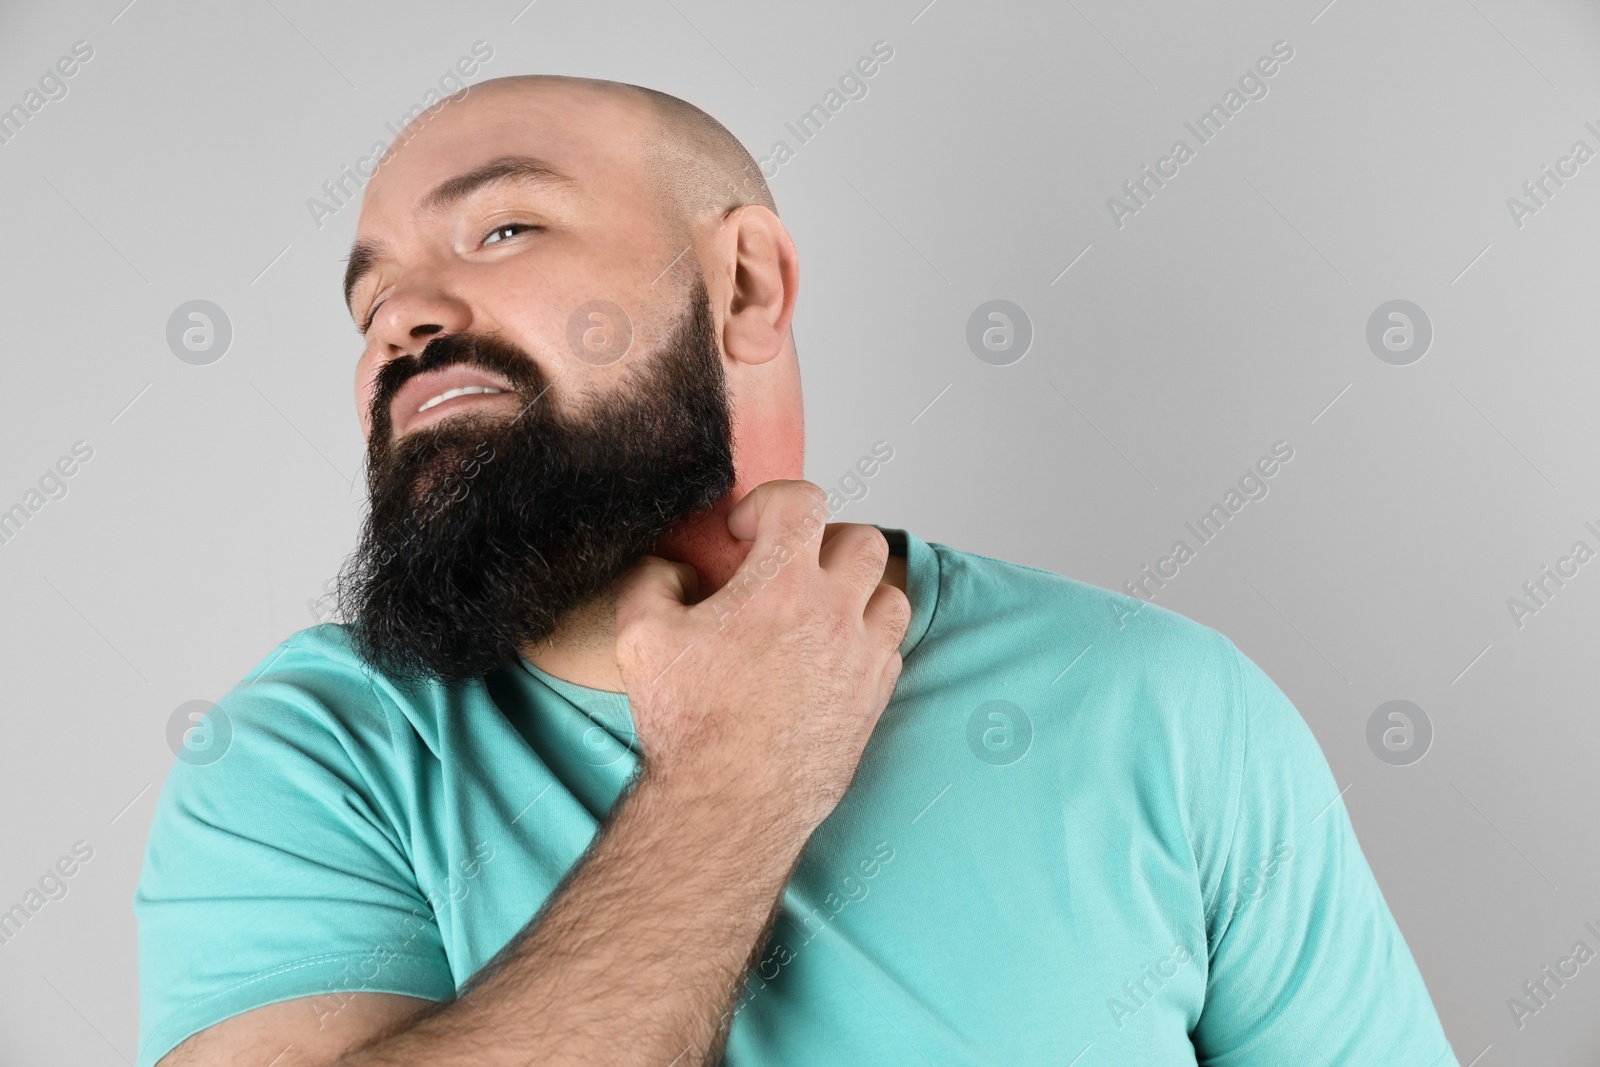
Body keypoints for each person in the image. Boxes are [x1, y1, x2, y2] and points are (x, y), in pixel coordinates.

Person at [133, 74, 1459, 1066]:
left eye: (500, 233)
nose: (401, 322)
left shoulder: (1162, 706)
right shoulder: (310, 754)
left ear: (750, 284)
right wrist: (731, 783)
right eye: (370, 306)